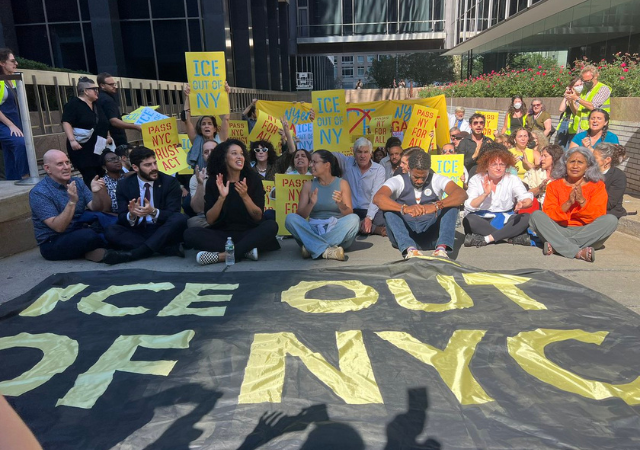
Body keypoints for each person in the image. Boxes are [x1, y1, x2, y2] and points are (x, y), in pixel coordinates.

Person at [184, 139, 280, 264]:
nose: (240, 157)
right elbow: (210, 220)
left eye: (241, 154)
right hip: (222, 234)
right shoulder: (214, 181)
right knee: (190, 234)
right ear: (224, 158)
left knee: (271, 226)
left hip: (249, 231)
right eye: (234, 153)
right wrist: (221, 198)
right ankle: (245, 251)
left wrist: (245, 196)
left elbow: (258, 216)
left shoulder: (253, 179)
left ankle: (223, 256)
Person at [528, 147, 618, 262]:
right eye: (571, 162)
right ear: (565, 164)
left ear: (588, 166)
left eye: (580, 162)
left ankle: (558, 246)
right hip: (558, 230)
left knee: (611, 220)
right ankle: (577, 251)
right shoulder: (554, 185)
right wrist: (569, 202)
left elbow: (597, 215)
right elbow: (549, 214)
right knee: (536, 215)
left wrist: (581, 200)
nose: (575, 166)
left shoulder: (597, 186)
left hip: (586, 232)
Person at [374, 150, 467, 258]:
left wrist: (436, 205)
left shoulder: (436, 179)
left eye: (424, 177)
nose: (420, 181)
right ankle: (410, 250)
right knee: (388, 209)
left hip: (432, 237)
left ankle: (441, 250)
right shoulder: (398, 181)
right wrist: (404, 209)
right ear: (409, 169)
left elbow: (461, 194)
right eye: (416, 177)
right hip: (404, 237)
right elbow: (378, 198)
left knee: (451, 205)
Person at [103, 146, 188, 264]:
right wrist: (131, 215)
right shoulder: (124, 185)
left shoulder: (169, 182)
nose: (154, 168)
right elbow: (121, 216)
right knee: (111, 230)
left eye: (155, 163)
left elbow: (173, 213)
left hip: (162, 228)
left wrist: (153, 211)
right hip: (138, 230)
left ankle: (135, 254)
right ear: (135, 167)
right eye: (148, 165)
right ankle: (165, 248)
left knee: (180, 219)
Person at [29, 149, 109, 261]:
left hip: (79, 230)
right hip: (53, 242)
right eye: (60, 164)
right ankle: (106, 250)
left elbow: (96, 208)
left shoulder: (77, 182)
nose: (66, 167)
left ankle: (103, 252)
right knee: (89, 236)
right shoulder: (39, 192)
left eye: (67, 162)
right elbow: (59, 227)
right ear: (47, 169)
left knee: (113, 226)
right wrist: (72, 201)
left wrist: (96, 193)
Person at [284, 150, 359, 261]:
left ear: (327, 165)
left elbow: (349, 213)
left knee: (354, 219)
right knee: (290, 218)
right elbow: (301, 215)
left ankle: (312, 247)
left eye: (314, 162)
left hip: (336, 231)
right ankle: (328, 251)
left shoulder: (342, 183)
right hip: (313, 230)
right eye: (311, 162)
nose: (311, 165)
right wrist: (311, 204)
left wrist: (340, 204)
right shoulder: (308, 185)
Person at [463, 146, 534, 247]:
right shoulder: (476, 179)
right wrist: (484, 194)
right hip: (483, 219)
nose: (498, 168)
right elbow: (469, 205)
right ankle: (510, 236)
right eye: (494, 164)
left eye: (502, 164)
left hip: (506, 218)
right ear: (486, 166)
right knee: (469, 220)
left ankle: (487, 238)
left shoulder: (512, 179)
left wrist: (523, 204)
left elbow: (525, 197)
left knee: (526, 217)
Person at [61, 77, 111, 187]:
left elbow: (103, 122)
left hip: (98, 147)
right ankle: (93, 196)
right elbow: (66, 122)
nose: (97, 91)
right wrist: (72, 141)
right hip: (83, 148)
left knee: (101, 175)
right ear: (86, 91)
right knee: (91, 176)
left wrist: (108, 136)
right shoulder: (73, 104)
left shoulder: (97, 105)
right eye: (94, 89)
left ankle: (102, 195)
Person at [333, 137, 387, 235]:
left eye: (366, 152)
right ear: (354, 153)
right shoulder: (346, 163)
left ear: (371, 154)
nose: (362, 156)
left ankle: (361, 226)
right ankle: (373, 229)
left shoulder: (379, 169)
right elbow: (329, 155)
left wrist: (369, 218)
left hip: (370, 209)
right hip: (351, 210)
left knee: (386, 220)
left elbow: (375, 195)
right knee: (337, 220)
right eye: (359, 152)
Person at [182, 82, 230, 170]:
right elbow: (186, 120)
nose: (206, 126)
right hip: (200, 176)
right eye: (203, 124)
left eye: (209, 124)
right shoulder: (196, 140)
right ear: (200, 129)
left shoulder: (221, 138)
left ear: (215, 128)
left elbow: (226, 118)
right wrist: (188, 97)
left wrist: (226, 94)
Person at [0, 48, 29, 180]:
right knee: (20, 143)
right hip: (4, 124)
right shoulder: (1, 82)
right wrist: (10, 125)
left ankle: (12, 179)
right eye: (12, 61)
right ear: (2, 63)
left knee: (9, 153)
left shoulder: (14, 80)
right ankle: (25, 176)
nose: (16, 63)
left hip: (15, 122)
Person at [96, 72, 141, 146]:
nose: (114, 86)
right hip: (115, 139)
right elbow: (113, 121)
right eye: (111, 84)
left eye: (114, 84)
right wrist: (136, 126)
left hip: (106, 138)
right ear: (102, 85)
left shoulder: (99, 97)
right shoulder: (107, 100)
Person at [565, 65, 611, 134]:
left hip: (596, 129)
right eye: (584, 81)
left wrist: (576, 98)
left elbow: (593, 106)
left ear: (596, 76)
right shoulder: (584, 91)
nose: (586, 83)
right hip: (581, 129)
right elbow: (576, 112)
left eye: (588, 81)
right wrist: (570, 99)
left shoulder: (603, 88)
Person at [593, 142, 627, 218]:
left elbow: (609, 203)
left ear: (607, 160)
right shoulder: (589, 171)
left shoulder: (618, 176)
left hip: (608, 213)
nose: (591, 160)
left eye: (595, 158)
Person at [188, 139, 218, 228]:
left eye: (213, 151)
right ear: (203, 156)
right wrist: (200, 184)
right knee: (192, 223)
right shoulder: (196, 178)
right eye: (206, 152)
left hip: (229, 216)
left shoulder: (231, 172)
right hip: (206, 217)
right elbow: (198, 209)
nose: (210, 154)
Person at [558, 77, 583, 147]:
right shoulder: (570, 96)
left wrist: (573, 100)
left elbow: (576, 111)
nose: (579, 87)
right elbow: (561, 109)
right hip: (565, 123)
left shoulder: (583, 97)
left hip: (574, 125)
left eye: (580, 84)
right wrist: (566, 96)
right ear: (572, 87)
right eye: (576, 85)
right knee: (561, 147)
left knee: (570, 147)